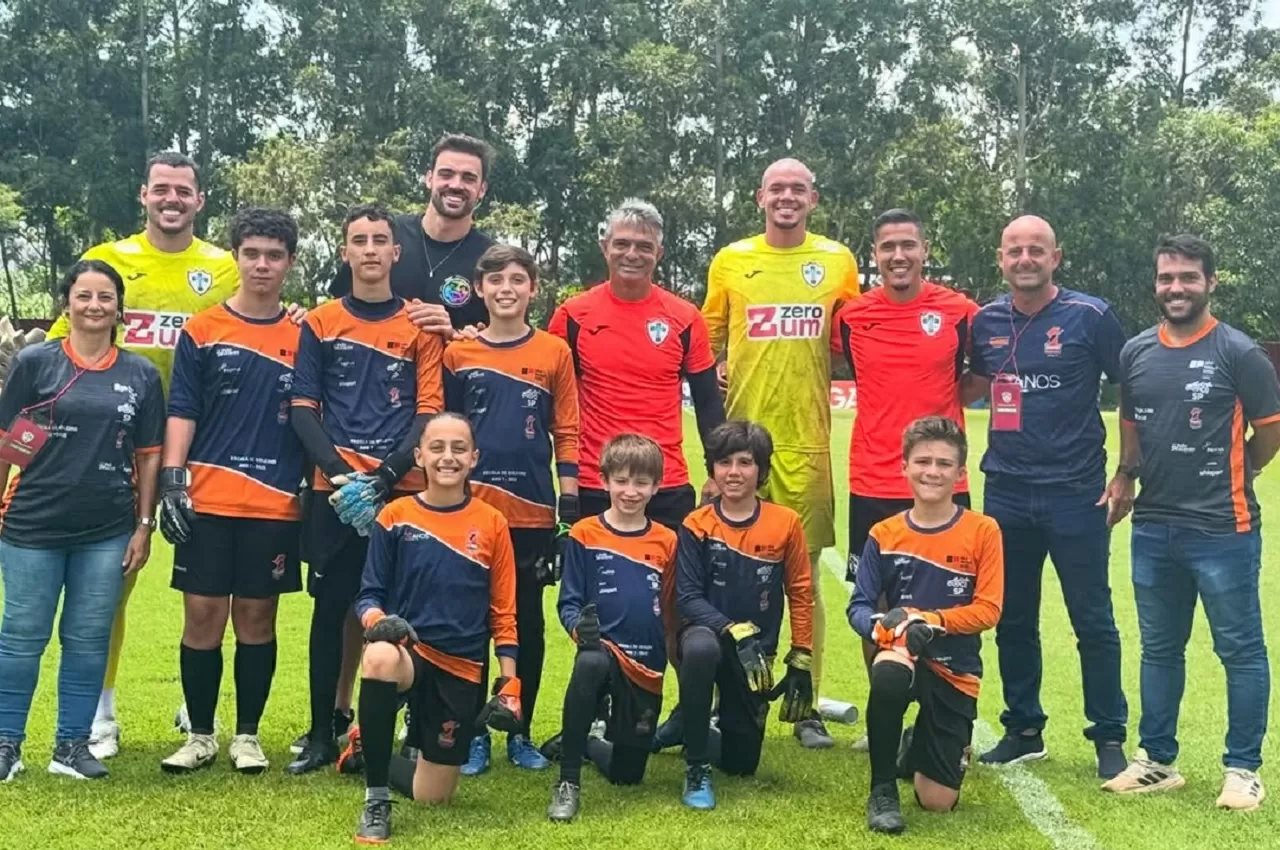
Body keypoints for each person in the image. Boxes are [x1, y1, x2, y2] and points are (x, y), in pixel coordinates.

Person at [47, 151, 239, 760]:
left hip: (203, 448)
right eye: (162, 189)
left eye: (183, 190)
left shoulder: (225, 267)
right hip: (118, 448)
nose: (172, 199)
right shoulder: (109, 260)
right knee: (111, 584)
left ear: (200, 199)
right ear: (144, 194)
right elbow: (60, 351)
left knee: (207, 585)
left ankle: (195, 703)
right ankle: (101, 715)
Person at [1102, 234, 1280, 811]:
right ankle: (1156, 761)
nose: (1175, 288)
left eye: (1187, 277)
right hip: (1154, 527)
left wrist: (1239, 467)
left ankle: (1243, 769)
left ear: (1210, 283)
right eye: (1166, 278)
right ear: (1155, 284)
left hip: (1223, 529)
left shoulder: (1239, 352)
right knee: (1159, 649)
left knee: (1240, 650)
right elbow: (1131, 423)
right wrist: (1125, 475)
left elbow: (1270, 430)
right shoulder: (1135, 351)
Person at [700, 158, 861, 750]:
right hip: (740, 448)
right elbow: (705, 346)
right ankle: (719, 697)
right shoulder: (731, 260)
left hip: (807, 446)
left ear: (813, 199)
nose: (786, 197)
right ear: (759, 197)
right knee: (723, 574)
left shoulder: (838, 262)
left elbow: (852, 343)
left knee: (806, 580)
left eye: (798, 189)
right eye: (777, 189)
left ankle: (806, 702)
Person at [966, 215, 1130, 777]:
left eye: (1036, 250)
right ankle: (1023, 729)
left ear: (1055, 258)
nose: (1025, 259)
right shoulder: (986, 321)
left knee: (1093, 618)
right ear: (1001, 259)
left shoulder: (1091, 316)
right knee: (1012, 618)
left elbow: (1131, 388)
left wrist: (1126, 472)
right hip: (1007, 491)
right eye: (1015, 250)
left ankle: (1109, 736)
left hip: (1076, 492)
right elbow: (969, 383)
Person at [287, 205, 444, 775]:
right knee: (331, 612)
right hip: (334, 494)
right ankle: (323, 731)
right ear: (345, 252)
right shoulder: (320, 322)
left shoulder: (420, 325)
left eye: (381, 240)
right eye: (360, 240)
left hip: (402, 491)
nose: (371, 249)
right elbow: (302, 407)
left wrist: (383, 478)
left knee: (407, 610)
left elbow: (428, 412)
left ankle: (407, 731)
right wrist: (340, 474)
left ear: (395, 253)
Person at [156, 208, 306, 774]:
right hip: (207, 500)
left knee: (257, 619)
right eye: (252, 253)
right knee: (201, 617)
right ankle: (199, 735)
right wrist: (173, 478)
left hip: (275, 503)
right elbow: (182, 408)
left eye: (274, 255)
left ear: (289, 262)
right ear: (236, 257)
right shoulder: (202, 329)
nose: (262, 264)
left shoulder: (306, 333)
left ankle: (247, 736)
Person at [0, 260, 163, 782]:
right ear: (66, 304)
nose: (94, 305)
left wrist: (144, 525)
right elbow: (8, 443)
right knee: (21, 637)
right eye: (84, 295)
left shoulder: (140, 374)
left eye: (105, 297)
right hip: (32, 526)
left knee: (89, 638)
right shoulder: (35, 363)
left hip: (107, 531)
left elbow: (149, 456)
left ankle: (71, 746)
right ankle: (6, 744)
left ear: (119, 309)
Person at [830, 208, 977, 746]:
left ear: (924, 250)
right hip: (873, 481)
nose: (898, 255)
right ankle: (886, 718)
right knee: (873, 605)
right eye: (888, 246)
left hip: (944, 484)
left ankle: (947, 718)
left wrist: (943, 416)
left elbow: (982, 373)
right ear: (874, 255)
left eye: (908, 245)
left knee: (952, 605)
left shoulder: (959, 312)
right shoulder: (851, 317)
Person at [350, 412, 519, 844]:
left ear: (474, 457)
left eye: (459, 448)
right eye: (437, 447)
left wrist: (509, 683)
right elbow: (368, 596)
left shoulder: (493, 522)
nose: (448, 457)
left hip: (460, 665)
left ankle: (366, 748)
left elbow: (504, 612)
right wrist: (380, 623)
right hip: (409, 652)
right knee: (379, 657)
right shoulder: (395, 515)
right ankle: (376, 800)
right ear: (419, 456)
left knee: (433, 796)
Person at [443, 244, 579, 774]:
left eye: (517, 279)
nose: (506, 289)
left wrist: (568, 504)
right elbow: (444, 434)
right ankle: (476, 733)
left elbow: (566, 430)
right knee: (472, 625)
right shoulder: (459, 353)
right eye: (496, 280)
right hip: (471, 514)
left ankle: (519, 731)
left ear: (532, 288)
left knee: (525, 626)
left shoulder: (554, 352)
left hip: (532, 516)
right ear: (479, 289)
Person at [847, 415, 1003, 834]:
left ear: (960, 472)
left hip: (955, 669)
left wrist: (930, 621)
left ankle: (913, 744)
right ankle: (882, 790)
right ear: (905, 467)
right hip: (904, 655)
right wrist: (882, 628)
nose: (932, 471)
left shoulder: (983, 530)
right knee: (888, 670)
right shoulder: (884, 533)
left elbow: (989, 610)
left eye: (943, 463)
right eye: (922, 461)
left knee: (937, 802)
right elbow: (859, 606)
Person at [548, 199, 725, 531]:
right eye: (622, 244)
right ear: (605, 247)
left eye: (644, 246)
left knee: (670, 567)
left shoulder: (685, 318)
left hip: (665, 484)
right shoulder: (572, 316)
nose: (632, 254)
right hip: (597, 482)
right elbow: (554, 403)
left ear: (659, 253)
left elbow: (708, 402)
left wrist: (717, 472)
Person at [674, 420, 814, 810]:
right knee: (701, 649)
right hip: (706, 637)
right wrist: (730, 627)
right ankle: (696, 766)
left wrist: (801, 657)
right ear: (712, 469)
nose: (733, 472)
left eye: (745, 462)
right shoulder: (696, 524)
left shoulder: (785, 523)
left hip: (755, 656)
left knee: (741, 764)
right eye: (724, 463)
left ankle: (687, 724)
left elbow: (801, 591)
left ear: (761, 470)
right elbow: (687, 598)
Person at [541, 433, 678, 821]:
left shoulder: (667, 540)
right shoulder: (585, 533)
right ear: (604, 481)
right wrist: (579, 630)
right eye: (621, 481)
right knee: (591, 662)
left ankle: (586, 741)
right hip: (602, 653)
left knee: (627, 775)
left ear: (656, 486)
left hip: (645, 665)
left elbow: (672, 611)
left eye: (641, 483)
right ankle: (568, 782)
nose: (630, 492)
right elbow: (568, 602)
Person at [330, 133, 494, 338]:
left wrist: (453, 336)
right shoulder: (384, 235)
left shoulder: (492, 261)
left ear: (482, 189)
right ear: (429, 179)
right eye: (446, 174)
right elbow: (336, 314)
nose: (455, 185)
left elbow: (506, 341)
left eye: (468, 178)